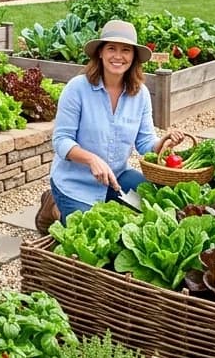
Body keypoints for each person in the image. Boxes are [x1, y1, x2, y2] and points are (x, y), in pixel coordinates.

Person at [37, 19, 187, 230]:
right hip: (75, 183)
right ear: (100, 52)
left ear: (134, 56)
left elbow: (144, 142)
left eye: (126, 50)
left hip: (117, 178)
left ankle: (109, 200)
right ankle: (53, 206)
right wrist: (91, 160)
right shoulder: (77, 89)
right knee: (88, 229)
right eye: (111, 48)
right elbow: (61, 141)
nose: (118, 56)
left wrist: (162, 143)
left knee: (153, 206)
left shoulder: (140, 94)